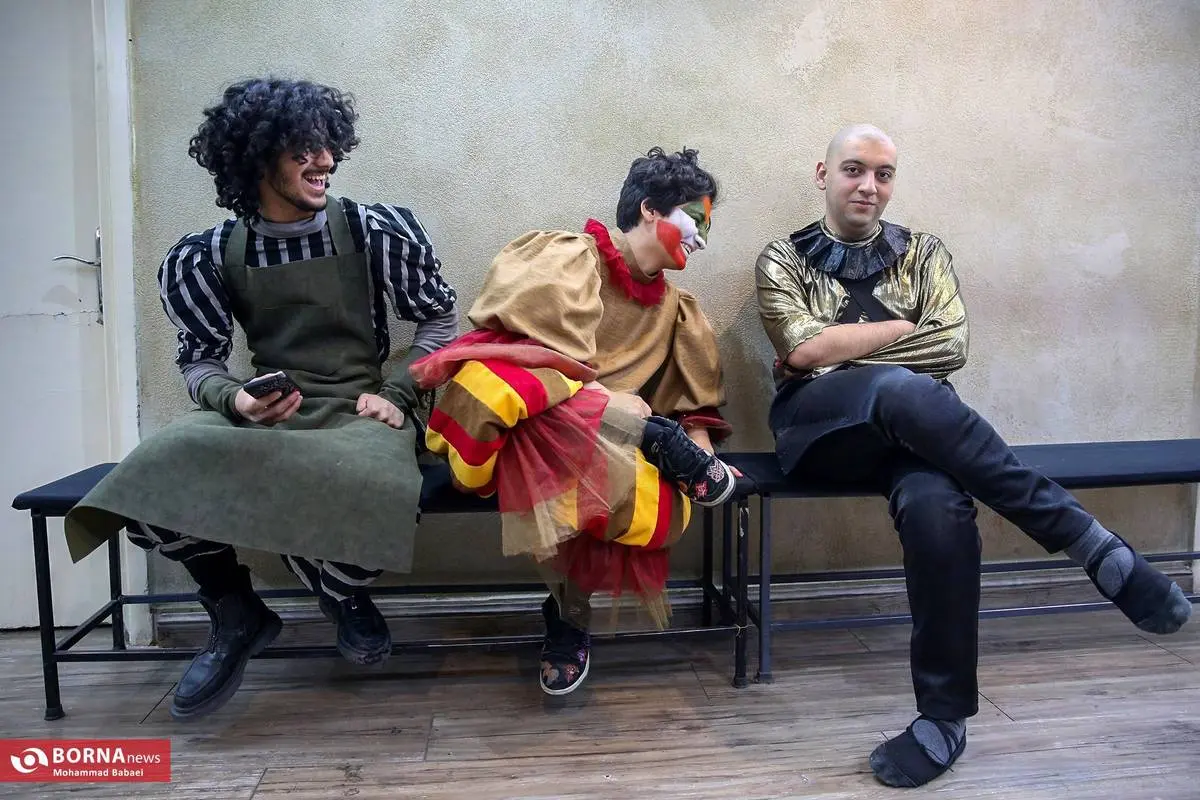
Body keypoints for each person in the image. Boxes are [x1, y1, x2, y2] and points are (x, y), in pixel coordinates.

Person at [754, 123, 1192, 787]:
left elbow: (950, 345)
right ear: (823, 174)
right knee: (901, 389)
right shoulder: (781, 259)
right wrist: (896, 333)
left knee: (938, 504)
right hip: (821, 431)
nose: (869, 186)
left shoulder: (925, 252)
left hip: (919, 430)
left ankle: (944, 717)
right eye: (853, 169)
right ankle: (1084, 538)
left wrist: (836, 351)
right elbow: (800, 349)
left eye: (883, 174)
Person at [64, 77, 460, 720]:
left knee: (381, 494)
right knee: (151, 473)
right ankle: (234, 610)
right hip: (269, 410)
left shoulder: (375, 230)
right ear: (256, 158)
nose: (325, 160)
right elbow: (199, 360)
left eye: (328, 145)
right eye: (303, 148)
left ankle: (341, 592)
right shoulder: (208, 254)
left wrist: (398, 392)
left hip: (360, 409)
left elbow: (440, 323)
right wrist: (235, 400)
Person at [411, 147, 735, 696]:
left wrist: (703, 456)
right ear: (651, 209)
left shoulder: (678, 310)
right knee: (500, 384)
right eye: (696, 220)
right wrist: (606, 402)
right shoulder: (569, 256)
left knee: (607, 475)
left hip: (598, 447)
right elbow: (522, 349)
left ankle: (569, 616)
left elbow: (693, 399)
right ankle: (651, 436)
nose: (703, 239)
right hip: (525, 426)